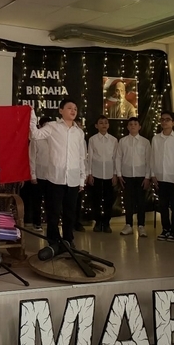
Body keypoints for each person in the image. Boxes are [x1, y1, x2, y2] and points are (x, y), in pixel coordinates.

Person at [29, 99, 86, 248]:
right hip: (55, 178)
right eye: (69, 108)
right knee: (53, 212)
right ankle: (53, 241)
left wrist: (82, 179)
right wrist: (32, 115)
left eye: (75, 109)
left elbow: (81, 156)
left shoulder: (79, 132)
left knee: (70, 212)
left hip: (73, 179)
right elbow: (34, 135)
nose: (73, 111)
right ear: (61, 110)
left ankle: (68, 240)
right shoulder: (52, 126)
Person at [151, 111, 174, 242]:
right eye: (162, 119)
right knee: (163, 205)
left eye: (167, 119)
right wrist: (153, 175)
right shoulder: (156, 139)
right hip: (160, 177)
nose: (164, 122)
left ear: (173, 122)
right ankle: (165, 229)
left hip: (173, 178)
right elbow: (152, 157)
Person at [116, 117, 151, 237]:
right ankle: (128, 225)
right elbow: (118, 158)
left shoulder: (145, 142)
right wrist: (119, 174)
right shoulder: (122, 141)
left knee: (141, 201)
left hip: (141, 176)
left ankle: (141, 226)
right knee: (128, 202)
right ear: (127, 127)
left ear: (139, 127)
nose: (133, 126)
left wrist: (147, 177)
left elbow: (149, 160)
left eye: (135, 124)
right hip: (127, 176)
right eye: (130, 124)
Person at [86, 115, 118, 233]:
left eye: (105, 123)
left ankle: (107, 222)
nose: (104, 125)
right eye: (101, 123)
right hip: (96, 173)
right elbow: (90, 157)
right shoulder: (92, 139)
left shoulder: (113, 140)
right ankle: (98, 222)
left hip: (109, 173)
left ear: (108, 125)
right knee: (96, 200)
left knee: (109, 200)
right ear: (96, 126)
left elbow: (115, 158)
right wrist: (89, 173)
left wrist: (115, 173)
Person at [28, 116, 52, 231]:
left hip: (52, 176)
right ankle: (36, 222)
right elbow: (31, 158)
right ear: (41, 126)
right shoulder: (36, 139)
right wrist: (33, 175)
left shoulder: (54, 140)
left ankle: (51, 223)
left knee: (51, 201)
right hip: (39, 175)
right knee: (37, 201)